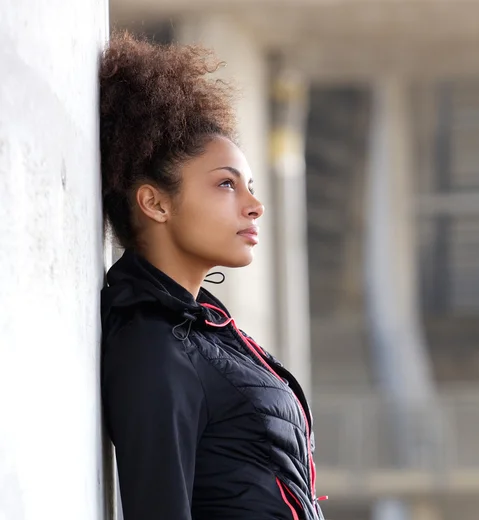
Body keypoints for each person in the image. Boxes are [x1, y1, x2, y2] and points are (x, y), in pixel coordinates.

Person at [99, 33, 325, 520]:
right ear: (155, 202)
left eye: (250, 185)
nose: (254, 205)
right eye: (226, 184)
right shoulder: (154, 345)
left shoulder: (208, 332)